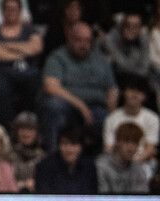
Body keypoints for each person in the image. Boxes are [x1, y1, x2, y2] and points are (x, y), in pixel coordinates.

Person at [40, 22, 118, 150]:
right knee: (53, 106)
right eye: (79, 40)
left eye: (88, 41)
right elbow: (50, 87)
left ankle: (99, 163)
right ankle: (54, 156)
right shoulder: (57, 57)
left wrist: (113, 117)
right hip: (67, 106)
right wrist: (81, 105)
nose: (84, 45)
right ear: (69, 39)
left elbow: (112, 90)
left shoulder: (101, 60)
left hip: (96, 107)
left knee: (107, 120)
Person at [0, 0, 44, 127]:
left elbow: (36, 48)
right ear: (2, 11)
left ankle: (30, 125)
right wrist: (22, 51)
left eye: (14, 9)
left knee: (35, 80)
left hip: (28, 72)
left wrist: (5, 46)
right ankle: (8, 125)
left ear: (20, 11)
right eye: (7, 9)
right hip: (1, 73)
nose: (11, 12)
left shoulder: (30, 29)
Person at [102, 74, 158, 164]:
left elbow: (149, 149)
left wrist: (133, 163)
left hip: (142, 162)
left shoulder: (153, 118)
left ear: (145, 97)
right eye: (132, 90)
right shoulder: (111, 119)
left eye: (139, 91)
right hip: (116, 163)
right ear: (124, 92)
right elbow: (108, 148)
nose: (135, 94)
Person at [34, 126, 98, 194]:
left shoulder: (89, 167)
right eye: (65, 143)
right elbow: (44, 198)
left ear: (81, 147)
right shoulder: (44, 167)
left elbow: (92, 197)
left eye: (74, 144)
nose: (69, 149)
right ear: (59, 146)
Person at [96, 122, 150, 194]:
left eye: (135, 143)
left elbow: (141, 200)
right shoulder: (100, 166)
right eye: (127, 142)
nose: (131, 148)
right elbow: (102, 199)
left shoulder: (138, 170)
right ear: (117, 142)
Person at [9, 111, 45, 192]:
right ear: (16, 131)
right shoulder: (7, 154)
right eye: (22, 129)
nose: (26, 133)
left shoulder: (43, 157)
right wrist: (23, 184)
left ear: (37, 132)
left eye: (30, 129)